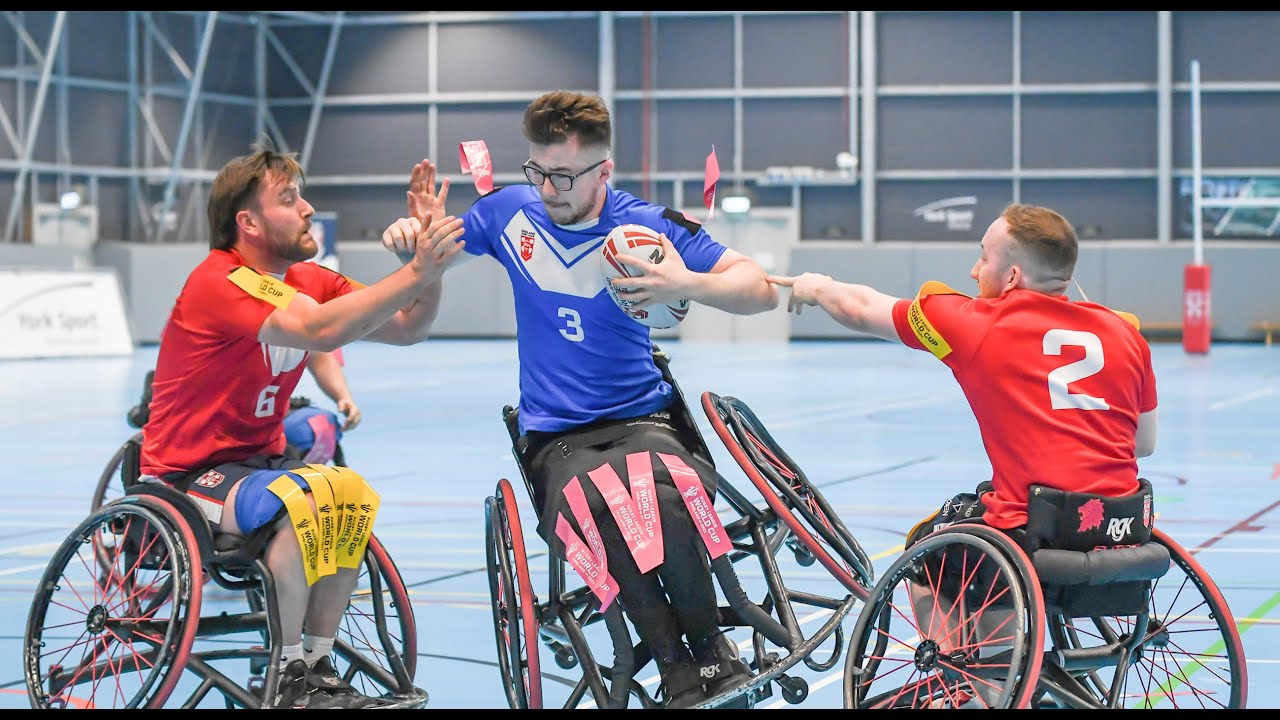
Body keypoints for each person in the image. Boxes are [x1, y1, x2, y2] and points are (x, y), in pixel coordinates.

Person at [383, 91, 778, 707]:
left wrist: (688, 282)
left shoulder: (645, 228)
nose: (546, 188)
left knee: (658, 496)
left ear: (603, 172)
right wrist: (414, 234)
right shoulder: (509, 213)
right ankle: (675, 667)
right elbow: (437, 246)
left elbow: (758, 288)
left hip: (645, 419)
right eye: (536, 170)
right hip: (556, 437)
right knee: (599, 507)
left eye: (563, 175)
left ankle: (712, 655)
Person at [770, 203, 1158, 704]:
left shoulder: (976, 323)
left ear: (1012, 275)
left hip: (1034, 532)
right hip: (1122, 531)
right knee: (977, 504)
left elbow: (863, 308)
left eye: (983, 258)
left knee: (928, 545)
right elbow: (1142, 445)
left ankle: (970, 678)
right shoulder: (1126, 332)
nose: (975, 271)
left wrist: (815, 285)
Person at [139, 144, 466, 708]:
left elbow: (411, 326)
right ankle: (289, 675)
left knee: (350, 492)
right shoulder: (221, 280)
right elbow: (318, 332)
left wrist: (425, 261)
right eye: (290, 199)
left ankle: (315, 662)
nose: (309, 208)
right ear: (249, 222)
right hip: (187, 478)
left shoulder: (305, 279)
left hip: (257, 465)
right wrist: (415, 270)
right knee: (305, 497)